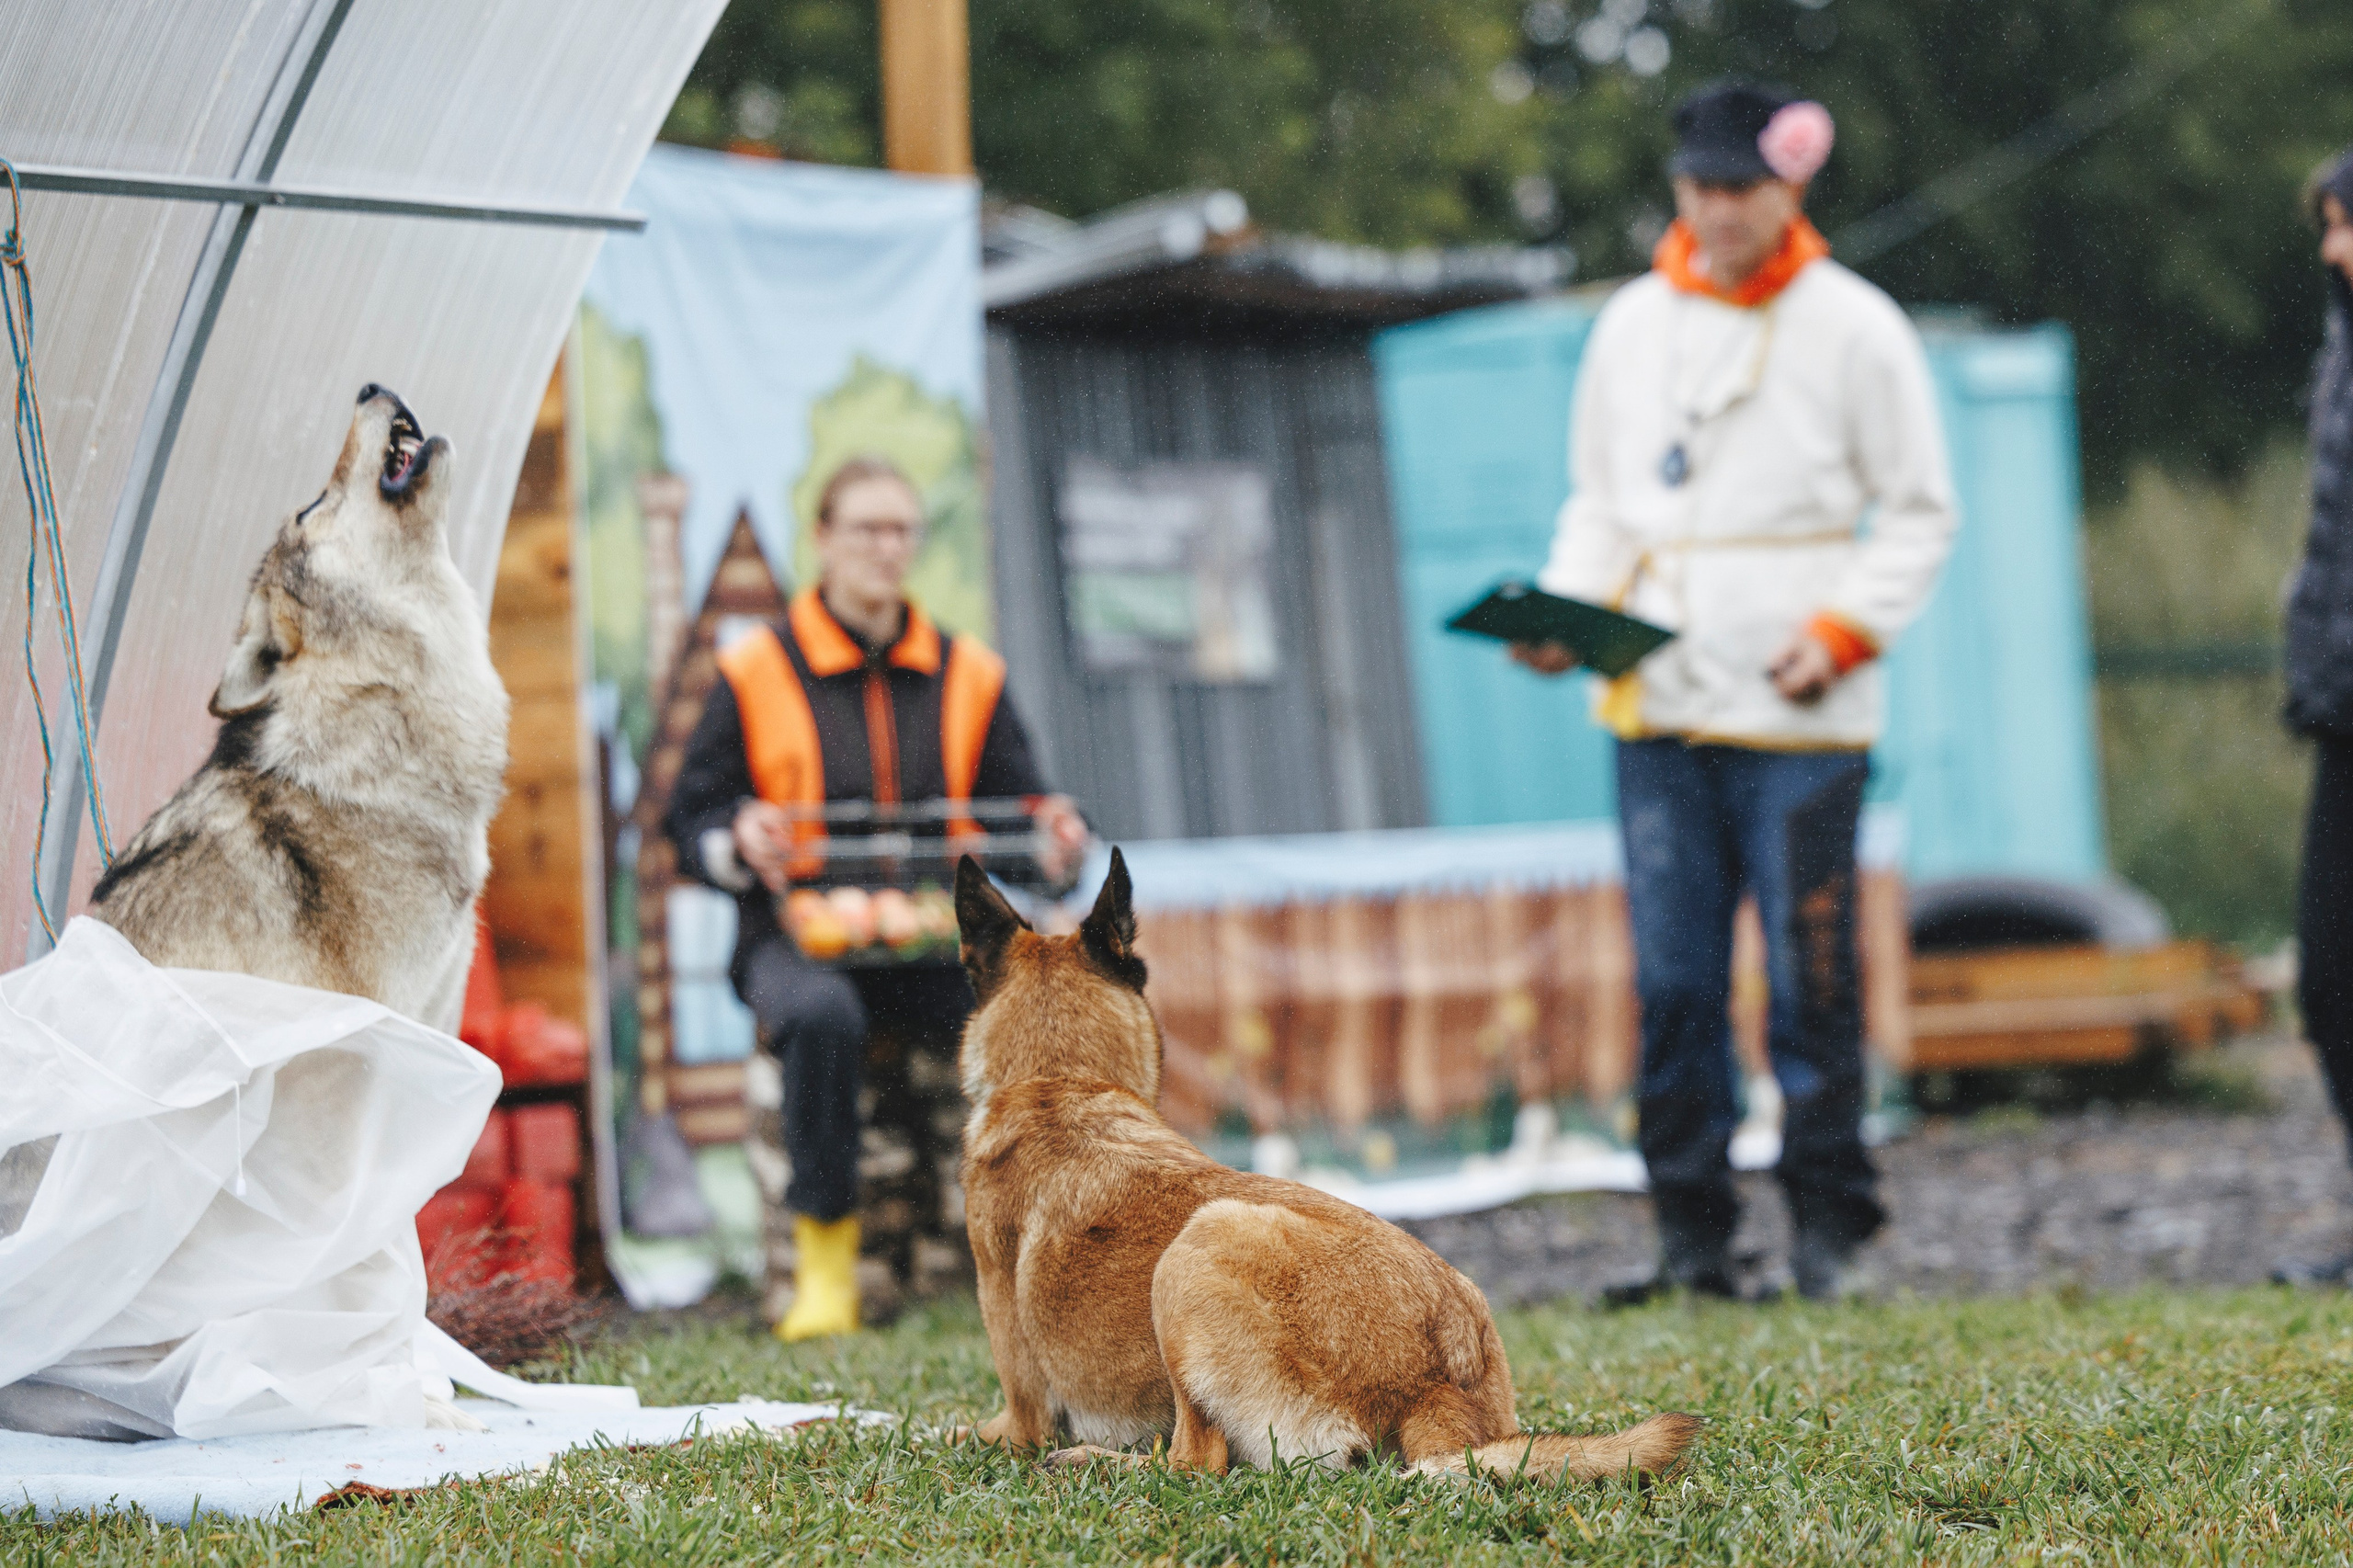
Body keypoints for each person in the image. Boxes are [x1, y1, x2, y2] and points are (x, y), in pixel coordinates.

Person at [1514, 82, 1957, 1301]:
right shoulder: (1629, 324)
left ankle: (1830, 1227)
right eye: (1699, 188)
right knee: (1673, 983)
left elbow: (1920, 510)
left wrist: (1844, 630)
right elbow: (1601, 503)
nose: (1717, 211)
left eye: (1740, 189)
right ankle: (1691, 1235)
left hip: (1799, 711)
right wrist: (1565, 614)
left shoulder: (1856, 325)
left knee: (1812, 977)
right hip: (1659, 704)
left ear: (1788, 189)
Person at [665, 456, 1087, 1339]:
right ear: (823, 538)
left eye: (901, 530)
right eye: (865, 528)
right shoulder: (755, 670)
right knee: (820, 1017)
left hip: (935, 938)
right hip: (792, 935)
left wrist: (1058, 845)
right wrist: (737, 836)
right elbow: (688, 821)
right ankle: (823, 1271)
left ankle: (1042, 1254)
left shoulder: (970, 673)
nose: (885, 547)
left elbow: (1026, 821)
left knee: (1041, 1001)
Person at [2276, 153, 2353, 1289]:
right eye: (2329, 228)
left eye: (2349, 225)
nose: (2334, 249)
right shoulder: (2340, 351)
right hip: (2344, 708)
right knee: (2330, 977)